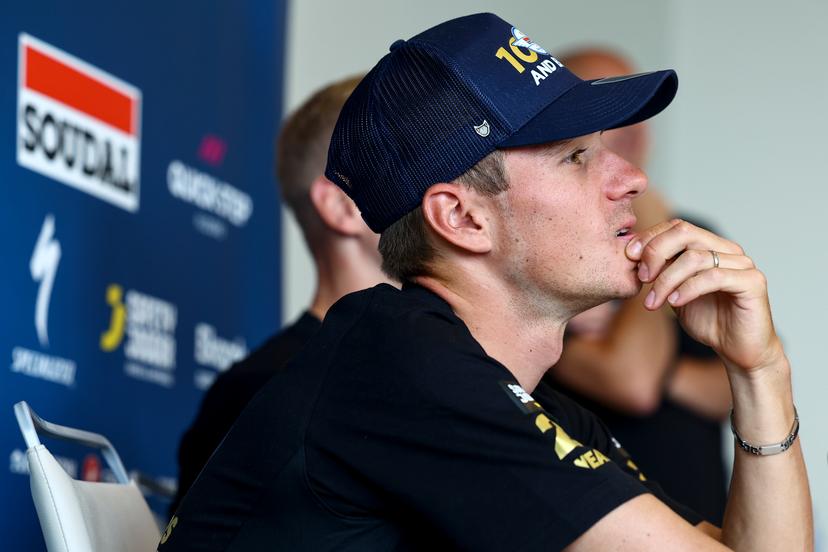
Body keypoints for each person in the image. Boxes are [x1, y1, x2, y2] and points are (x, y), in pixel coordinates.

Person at [159, 13, 812, 551]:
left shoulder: (526, 399)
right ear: (463, 218)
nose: (632, 182)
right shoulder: (404, 365)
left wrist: (760, 372)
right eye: (577, 157)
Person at [169, 75, 391, 514]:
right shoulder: (261, 391)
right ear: (342, 206)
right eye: (410, 163)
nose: (447, 188)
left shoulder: (439, 366)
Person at [546, 48, 731, 523]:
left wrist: (663, 370)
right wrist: (649, 220)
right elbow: (631, 383)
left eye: (637, 114)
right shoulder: (554, 251)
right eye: (608, 112)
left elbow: (736, 389)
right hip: (610, 523)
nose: (631, 129)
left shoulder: (693, 232)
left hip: (710, 519)